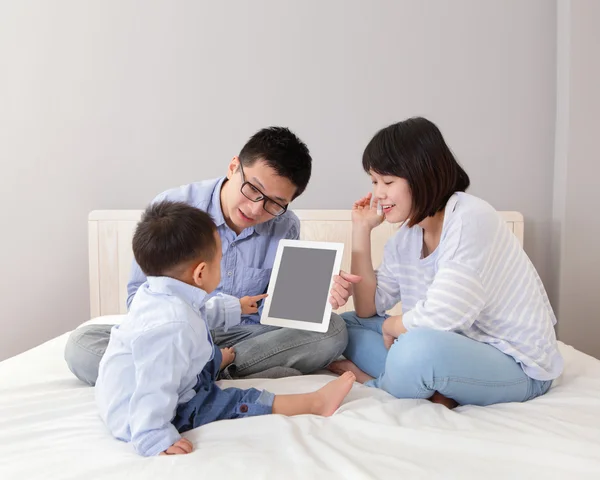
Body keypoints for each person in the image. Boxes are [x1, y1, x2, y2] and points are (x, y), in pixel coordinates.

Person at [66, 127, 359, 385]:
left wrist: (315, 295)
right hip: (175, 336)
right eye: (253, 189)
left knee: (333, 330)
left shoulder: (285, 225)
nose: (257, 209)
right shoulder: (174, 208)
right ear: (234, 167)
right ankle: (228, 370)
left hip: (244, 339)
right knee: (82, 345)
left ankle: (195, 373)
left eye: (274, 203)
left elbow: (278, 312)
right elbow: (138, 299)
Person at [328, 117, 563, 408]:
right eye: (374, 181)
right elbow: (365, 310)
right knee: (343, 326)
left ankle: (375, 382)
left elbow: (444, 316)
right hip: (452, 350)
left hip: (516, 364)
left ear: (422, 175)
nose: (378, 193)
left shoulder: (470, 217)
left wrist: (393, 327)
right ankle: (431, 385)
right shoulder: (406, 238)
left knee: (414, 349)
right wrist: (361, 230)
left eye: (388, 181)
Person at [95, 201, 355, 456]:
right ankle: (314, 403)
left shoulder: (157, 292)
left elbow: (203, 310)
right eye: (219, 261)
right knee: (234, 400)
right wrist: (153, 437)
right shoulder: (172, 327)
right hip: (139, 413)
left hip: (143, 386)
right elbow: (154, 387)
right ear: (200, 274)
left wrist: (237, 307)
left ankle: (219, 362)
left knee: (204, 351)